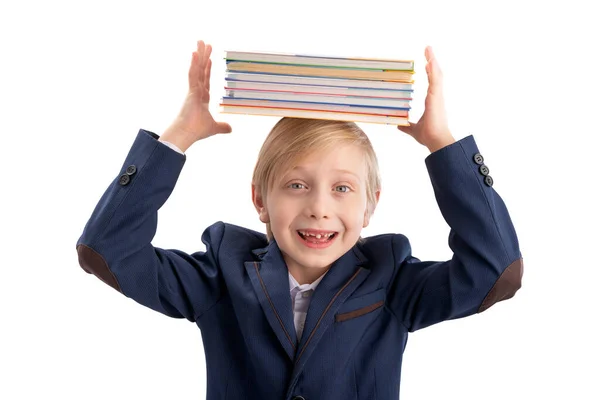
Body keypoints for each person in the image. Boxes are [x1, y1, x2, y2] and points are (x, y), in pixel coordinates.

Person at [76, 40, 523, 400]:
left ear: (370, 206)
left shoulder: (393, 282)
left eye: (342, 188)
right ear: (260, 200)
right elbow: (106, 250)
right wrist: (178, 138)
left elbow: (496, 273)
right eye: (296, 185)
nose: (319, 207)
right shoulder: (219, 275)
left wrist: (443, 146)